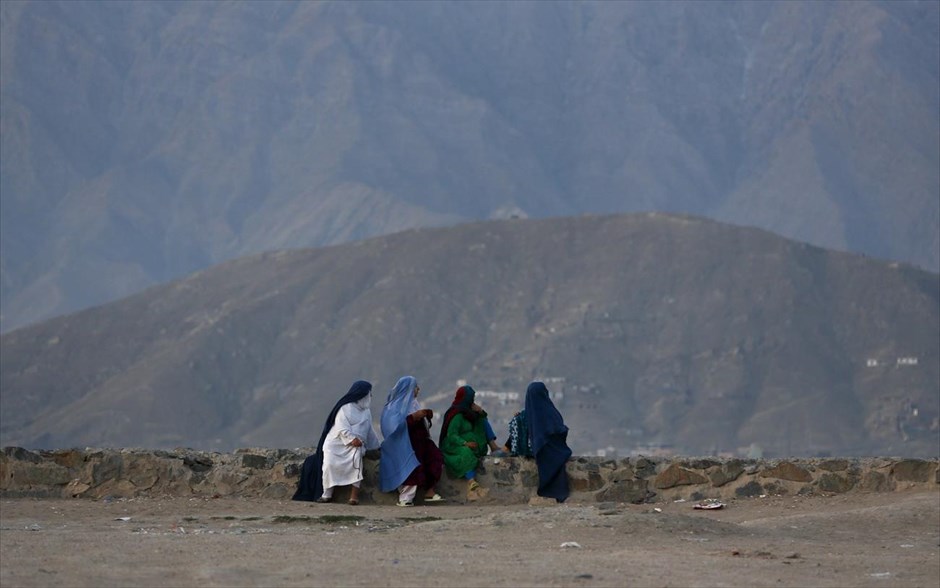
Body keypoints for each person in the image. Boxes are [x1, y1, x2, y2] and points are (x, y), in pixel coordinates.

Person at [292, 380, 380, 504]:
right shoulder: (345, 408)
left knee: (357, 465)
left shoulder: (366, 412)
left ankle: (353, 497)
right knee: (329, 465)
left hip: (356, 446)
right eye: (369, 393)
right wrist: (351, 439)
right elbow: (341, 427)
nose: (371, 396)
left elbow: (369, 430)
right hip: (337, 445)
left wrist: (376, 446)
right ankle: (326, 494)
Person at [379, 376, 445, 506]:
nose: (418, 390)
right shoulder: (393, 407)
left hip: (420, 442)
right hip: (405, 444)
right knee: (411, 468)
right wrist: (412, 418)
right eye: (415, 387)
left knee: (435, 457)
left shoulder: (413, 403)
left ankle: (429, 491)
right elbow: (393, 427)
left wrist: (424, 415)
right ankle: (405, 498)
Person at [439, 385, 504, 501]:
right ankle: (472, 482)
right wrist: (465, 443)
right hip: (454, 445)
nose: (473, 400)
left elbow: (482, 418)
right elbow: (451, 435)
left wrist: (480, 411)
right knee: (466, 452)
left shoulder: (469, 412)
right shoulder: (456, 414)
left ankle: (493, 446)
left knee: (481, 419)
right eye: (471, 398)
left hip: (470, 443)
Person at [525, 381, 572, 503]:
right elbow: (558, 428)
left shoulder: (527, 415)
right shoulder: (549, 410)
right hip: (551, 449)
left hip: (539, 449)